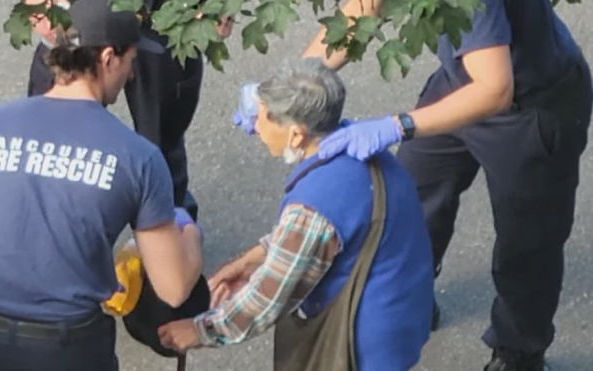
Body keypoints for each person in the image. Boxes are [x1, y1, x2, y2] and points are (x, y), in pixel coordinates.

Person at [276, 0, 589, 370]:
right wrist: (288, 88)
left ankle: (519, 351)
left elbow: (495, 90)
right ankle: (413, 298)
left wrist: (397, 125)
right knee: (413, 196)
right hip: (462, 79)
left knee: (526, 246)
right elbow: (364, 9)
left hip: (529, 103)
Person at [0, 1, 204, 370]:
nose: (131, 75)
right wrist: (189, 232)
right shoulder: (138, 158)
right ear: (109, 57)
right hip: (65, 347)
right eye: (130, 60)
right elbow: (173, 288)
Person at [157, 57, 435, 371]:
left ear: (295, 135)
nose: (255, 127)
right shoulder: (363, 149)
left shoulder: (313, 208)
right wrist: (250, 261)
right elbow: (320, 236)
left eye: (262, 118)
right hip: (403, 310)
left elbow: (266, 302)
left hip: (362, 346)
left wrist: (198, 331)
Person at [26, 0, 234, 220]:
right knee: (52, 144)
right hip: (72, 13)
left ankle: (167, 227)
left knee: (160, 141)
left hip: (164, 13)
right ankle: (57, 231)